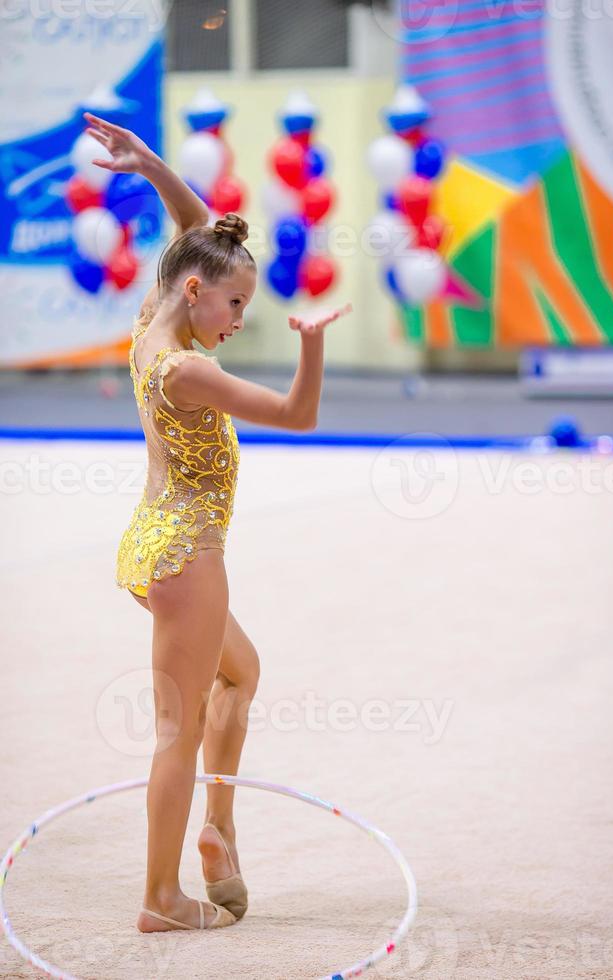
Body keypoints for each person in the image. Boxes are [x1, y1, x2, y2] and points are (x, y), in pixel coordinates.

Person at [83, 111, 353, 932]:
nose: (241, 319)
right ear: (196, 294)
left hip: (154, 542)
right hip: (187, 557)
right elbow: (297, 417)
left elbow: (196, 235)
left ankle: (220, 830)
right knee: (176, 730)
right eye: (236, 304)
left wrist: (154, 165)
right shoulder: (189, 371)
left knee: (242, 674)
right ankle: (160, 900)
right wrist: (309, 345)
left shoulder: (151, 321)